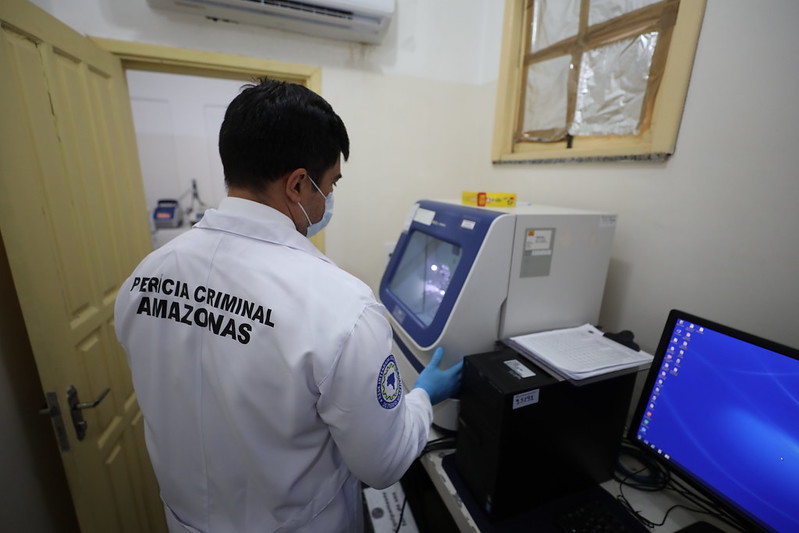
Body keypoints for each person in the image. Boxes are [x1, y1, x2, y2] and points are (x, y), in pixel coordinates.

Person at [114, 78, 462, 533]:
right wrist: (423, 397)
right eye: (330, 184)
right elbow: (384, 463)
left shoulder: (145, 278)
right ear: (298, 184)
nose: (330, 198)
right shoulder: (343, 308)